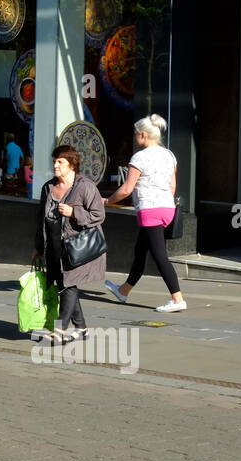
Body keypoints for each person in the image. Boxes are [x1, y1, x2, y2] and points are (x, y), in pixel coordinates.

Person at [104, 113, 186, 313]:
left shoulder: (139, 157)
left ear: (143, 134)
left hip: (150, 210)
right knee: (141, 251)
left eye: (135, 133)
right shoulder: (169, 155)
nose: (134, 136)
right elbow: (172, 186)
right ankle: (124, 290)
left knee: (159, 256)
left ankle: (177, 299)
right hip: (167, 209)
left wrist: (106, 201)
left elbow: (126, 189)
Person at [33, 144, 107, 343]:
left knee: (69, 285)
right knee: (64, 285)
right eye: (54, 161)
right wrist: (38, 247)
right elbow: (40, 218)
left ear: (71, 165)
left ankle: (60, 330)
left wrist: (74, 213)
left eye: (60, 162)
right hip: (54, 247)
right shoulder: (48, 187)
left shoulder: (85, 186)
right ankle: (81, 328)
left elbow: (99, 215)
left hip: (77, 247)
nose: (55, 166)